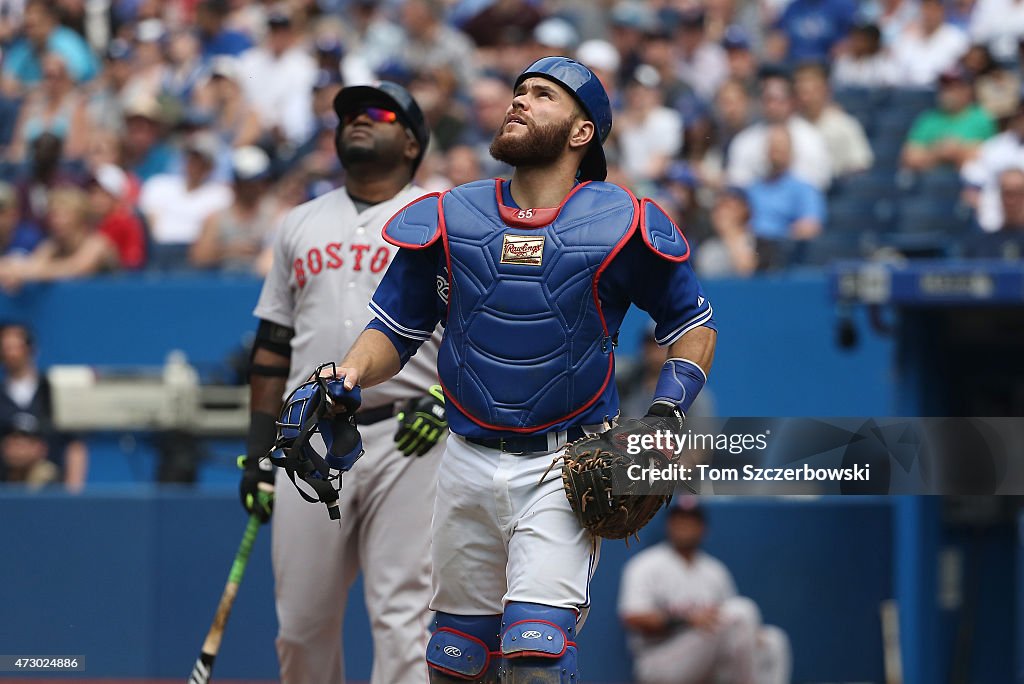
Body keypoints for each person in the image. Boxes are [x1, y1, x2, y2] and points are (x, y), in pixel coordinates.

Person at [322, 56, 717, 681]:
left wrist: (666, 409)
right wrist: (345, 374)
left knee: (536, 653)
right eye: (518, 92)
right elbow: (393, 332)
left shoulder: (625, 220)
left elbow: (691, 326)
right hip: (464, 458)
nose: (520, 102)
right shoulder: (453, 214)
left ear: (582, 132)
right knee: (456, 660)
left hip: (567, 463)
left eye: (542, 95)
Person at [242, 81, 445, 683]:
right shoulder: (299, 222)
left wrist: (445, 398)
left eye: (377, 113)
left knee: (403, 619)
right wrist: (258, 454)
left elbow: (481, 330)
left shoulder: (442, 215)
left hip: (412, 436)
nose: (359, 119)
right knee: (300, 627)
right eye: (349, 113)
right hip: (306, 438)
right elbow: (272, 347)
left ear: (411, 142)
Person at [619, 501, 791, 684]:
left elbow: (736, 628)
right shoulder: (646, 565)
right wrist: (688, 619)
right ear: (669, 526)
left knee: (774, 641)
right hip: (660, 658)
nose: (685, 528)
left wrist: (751, 636)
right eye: (679, 522)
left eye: (691, 522)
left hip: (707, 657)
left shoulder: (714, 570)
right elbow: (632, 617)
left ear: (703, 529)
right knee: (741, 610)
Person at [0, 323, 88, 491]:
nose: (11, 353)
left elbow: (76, 444)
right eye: (5, 347)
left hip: (50, 489)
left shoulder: (53, 391)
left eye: (17, 346)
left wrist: (73, 495)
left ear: (31, 349)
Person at [901, 67, 996, 172]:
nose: (946, 92)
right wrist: (939, 152)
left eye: (952, 87)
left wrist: (956, 151)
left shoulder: (983, 118)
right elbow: (910, 159)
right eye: (943, 87)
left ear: (967, 90)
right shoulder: (929, 118)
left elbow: (988, 156)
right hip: (931, 181)